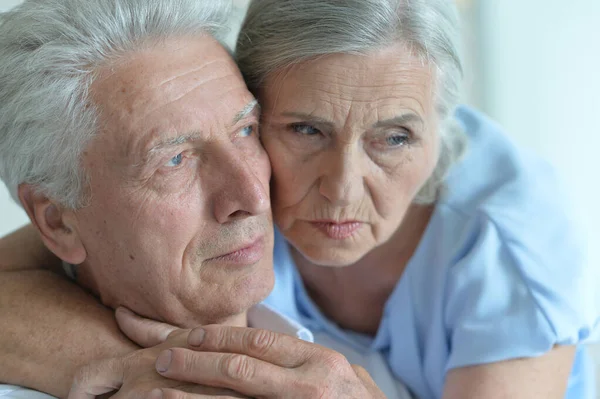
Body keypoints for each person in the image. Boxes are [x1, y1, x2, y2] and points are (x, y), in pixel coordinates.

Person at [1, 0, 599, 398]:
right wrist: (155, 368)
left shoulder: (506, 250)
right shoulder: (255, 189)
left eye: (394, 138)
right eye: (304, 130)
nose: (248, 193)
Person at [0, 0, 400, 398]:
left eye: (245, 130)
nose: (255, 196)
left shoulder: (356, 369)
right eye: (174, 160)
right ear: (57, 222)